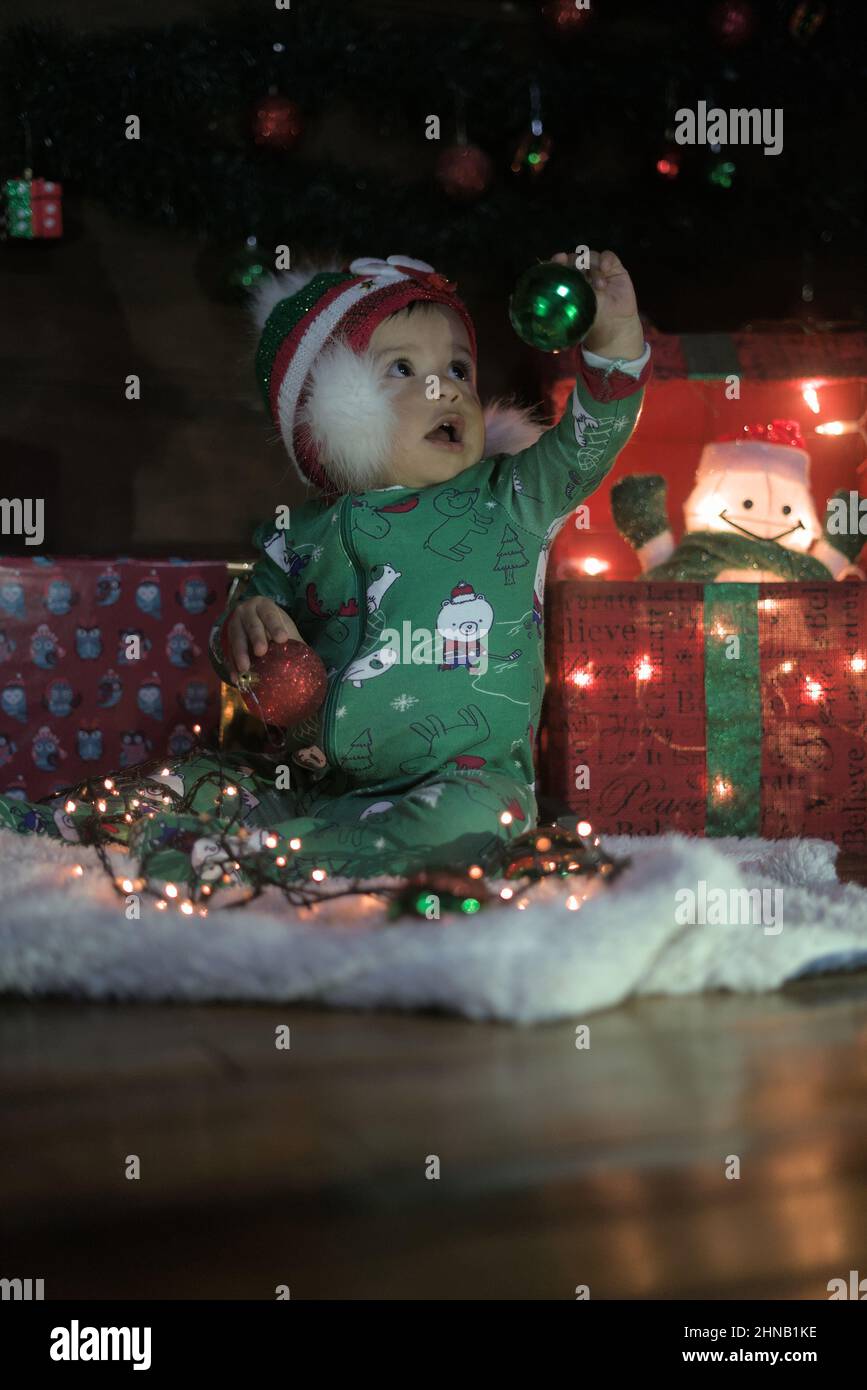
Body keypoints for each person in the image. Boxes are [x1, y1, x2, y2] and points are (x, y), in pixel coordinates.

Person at [0, 251, 651, 902]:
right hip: (308, 782)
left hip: (461, 778)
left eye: (458, 368)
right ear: (332, 410)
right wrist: (247, 632)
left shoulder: (511, 498)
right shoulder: (296, 535)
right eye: (403, 369)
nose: (446, 388)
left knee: (472, 829)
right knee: (196, 779)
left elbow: (595, 436)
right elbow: (239, 646)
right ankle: (46, 824)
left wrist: (615, 337)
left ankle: (247, 860)